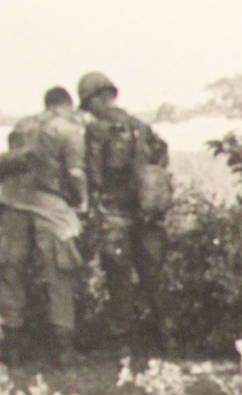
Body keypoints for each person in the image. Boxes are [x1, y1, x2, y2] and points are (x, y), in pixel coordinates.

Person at [78, 71, 170, 354]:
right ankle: (166, 337)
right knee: (153, 274)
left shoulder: (97, 130)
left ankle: (122, 343)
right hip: (147, 211)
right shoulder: (139, 125)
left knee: (118, 276)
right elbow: (162, 154)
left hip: (115, 212)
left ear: (94, 99)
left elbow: (93, 174)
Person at [0, 87, 88, 367]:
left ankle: (12, 345)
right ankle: (63, 349)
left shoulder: (23, 125)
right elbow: (75, 172)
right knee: (59, 273)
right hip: (49, 206)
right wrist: (82, 202)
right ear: (67, 105)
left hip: (12, 203)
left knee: (11, 272)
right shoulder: (68, 128)